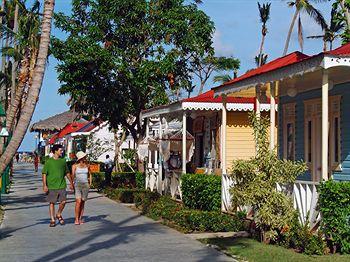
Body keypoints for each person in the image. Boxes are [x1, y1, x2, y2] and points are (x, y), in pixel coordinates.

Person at [42, 144, 74, 227]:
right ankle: (52, 219)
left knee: (63, 202)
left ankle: (58, 214)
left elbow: (67, 172)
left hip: (61, 185)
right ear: (55, 151)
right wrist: (45, 185)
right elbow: (44, 174)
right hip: (51, 186)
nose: (62, 151)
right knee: (52, 203)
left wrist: (71, 183)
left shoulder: (63, 161)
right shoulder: (49, 162)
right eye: (60, 150)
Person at [72, 151, 92, 225]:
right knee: (78, 201)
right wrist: (72, 184)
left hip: (85, 185)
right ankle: (76, 219)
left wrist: (90, 183)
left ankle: (80, 218)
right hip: (77, 185)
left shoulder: (87, 165)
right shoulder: (74, 166)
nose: (84, 158)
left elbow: (90, 174)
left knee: (83, 202)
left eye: (84, 157)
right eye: (83, 157)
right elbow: (73, 176)